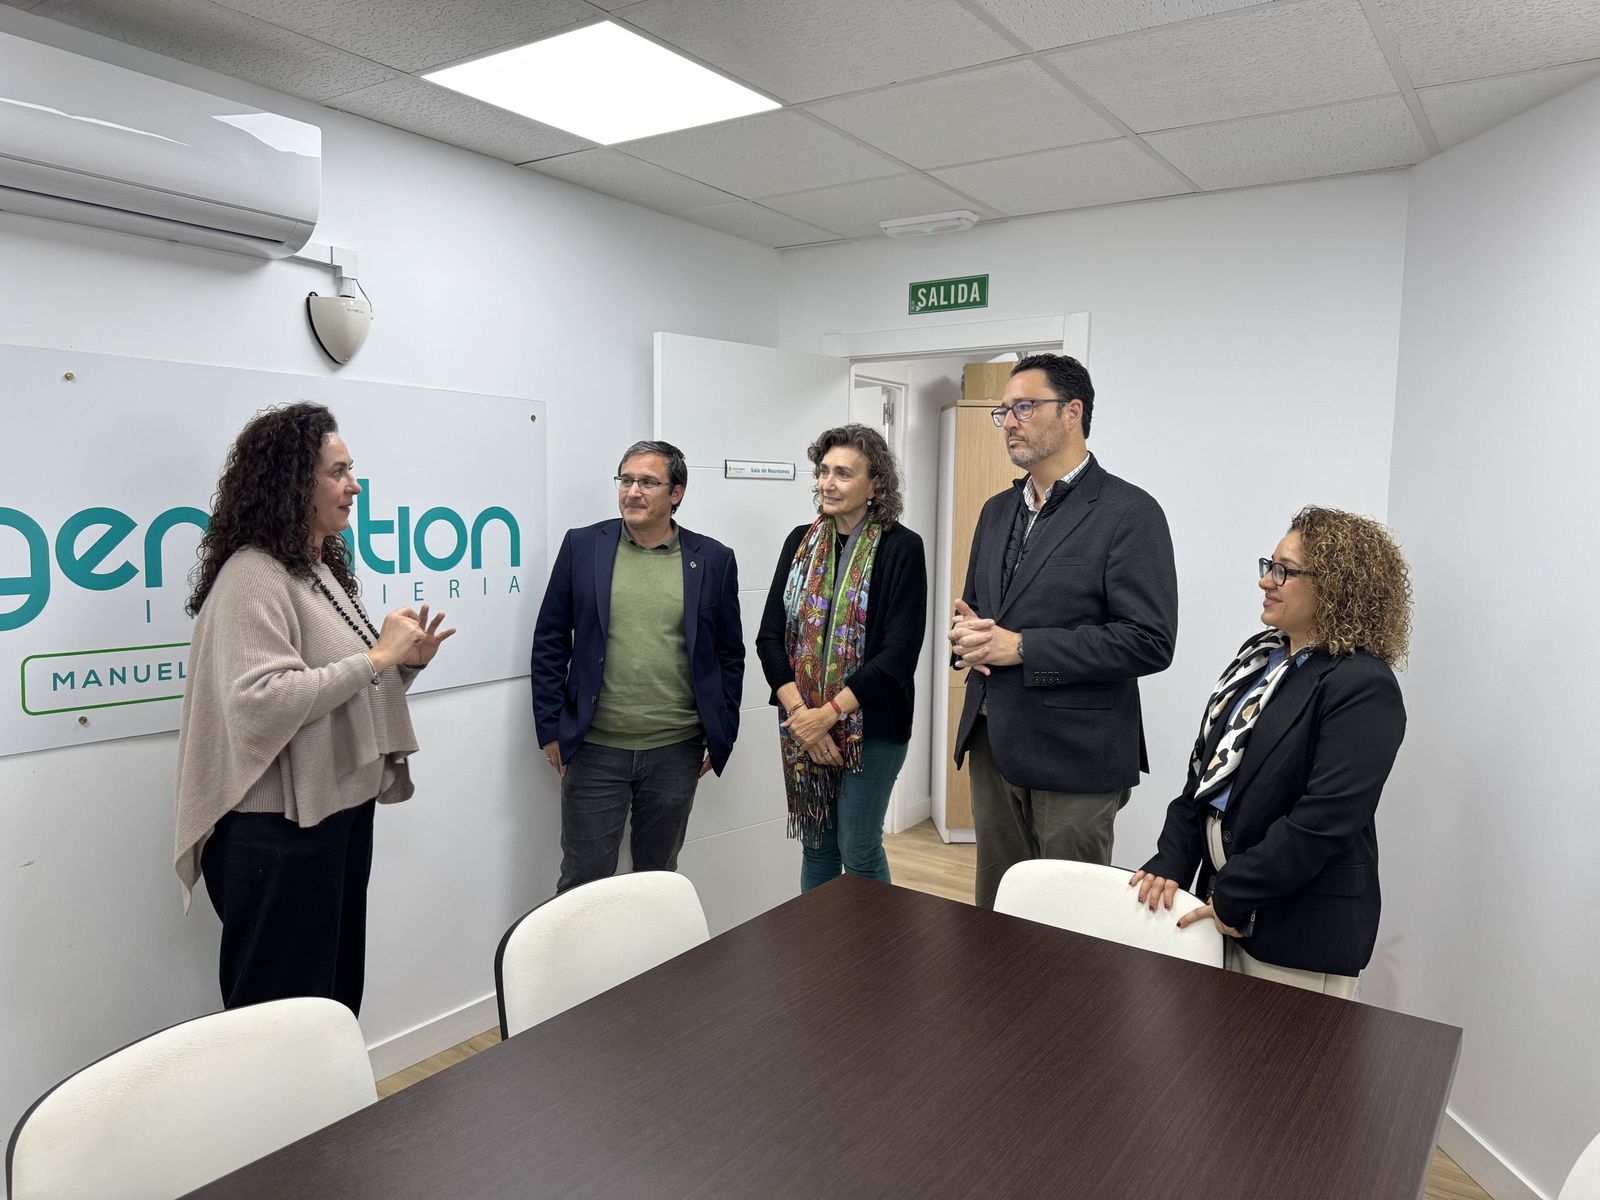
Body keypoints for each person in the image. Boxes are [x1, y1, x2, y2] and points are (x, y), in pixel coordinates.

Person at [174, 403, 454, 1014]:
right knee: (280, 1018)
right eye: (338, 472)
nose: (354, 486)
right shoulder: (252, 576)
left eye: (351, 470)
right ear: (291, 481)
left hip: (333, 815)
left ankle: (334, 1115)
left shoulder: (318, 569)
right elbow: (261, 703)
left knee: (330, 1001)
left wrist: (402, 662)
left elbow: (340, 694)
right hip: (275, 832)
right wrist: (377, 659)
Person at [1131, 506, 1411, 996]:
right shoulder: (1259, 657)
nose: (1267, 581)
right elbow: (1205, 780)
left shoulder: (1363, 685)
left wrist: (1234, 895)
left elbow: (1323, 821)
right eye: (1269, 565)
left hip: (1295, 926)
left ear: (1337, 586)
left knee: (1283, 1070)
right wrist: (1171, 861)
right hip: (1224, 902)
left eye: (1285, 571)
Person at [949, 353, 1177, 909]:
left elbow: (1149, 639)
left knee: (1066, 924)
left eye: (1024, 407)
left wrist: (1021, 647)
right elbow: (980, 612)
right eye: (1003, 411)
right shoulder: (997, 510)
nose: (1009, 421)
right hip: (992, 738)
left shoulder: (1130, 511)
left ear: (1072, 412)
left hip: (1076, 753)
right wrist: (966, 638)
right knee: (997, 909)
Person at [531, 440, 743, 893]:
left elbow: (729, 654)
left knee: (657, 884)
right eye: (626, 480)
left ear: (677, 492)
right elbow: (550, 640)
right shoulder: (583, 546)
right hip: (594, 750)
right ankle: (584, 968)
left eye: (648, 482)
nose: (633, 491)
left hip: (675, 750)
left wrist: (720, 728)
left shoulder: (713, 559)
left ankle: (651, 968)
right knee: (583, 885)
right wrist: (550, 728)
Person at [757, 424, 927, 892]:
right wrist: (802, 717)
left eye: (843, 473)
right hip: (803, 725)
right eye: (823, 471)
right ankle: (816, 955)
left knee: (858, 846)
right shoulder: (799, 543)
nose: (827, 483)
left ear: (875, 484)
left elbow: (898, 655)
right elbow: (768, 639)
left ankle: (876, 961)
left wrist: (828, 715)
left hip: (873, 727)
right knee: (817, 847)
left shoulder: (902, 548)